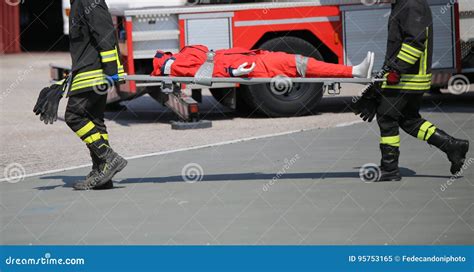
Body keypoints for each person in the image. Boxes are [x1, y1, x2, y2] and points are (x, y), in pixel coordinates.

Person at [374, 0, 469, 181]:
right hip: (408, 75)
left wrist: (396, 69)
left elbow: (416, 41)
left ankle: (390, 168)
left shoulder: (411, 4)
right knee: (409, 120)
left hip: (407, 77)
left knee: (386, 116)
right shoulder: (404, 3)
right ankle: (452, 146)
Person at [65, 0, 127, 190]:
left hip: (93, 72)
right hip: (90, 70)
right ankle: (102, 171)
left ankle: (108, 158)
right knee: (94, 119)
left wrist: (110, 70)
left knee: (74, 116)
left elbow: (104, 31)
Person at [151, 45, 375, 79]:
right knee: (300, 63)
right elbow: (206, 73)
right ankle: (354, 71)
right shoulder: (178, 63)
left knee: (300, 64)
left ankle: (355, 71)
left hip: (253, 57)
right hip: (253, 64)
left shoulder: (180, 56)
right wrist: (233, 72)